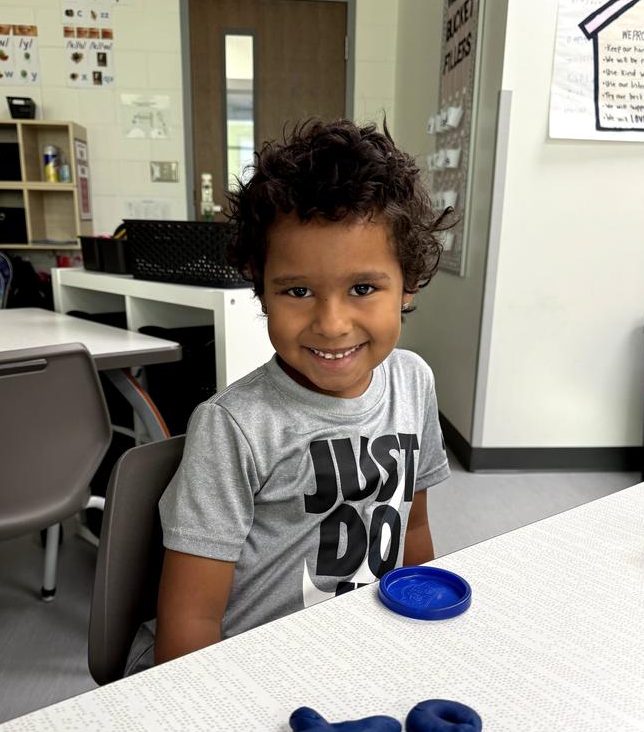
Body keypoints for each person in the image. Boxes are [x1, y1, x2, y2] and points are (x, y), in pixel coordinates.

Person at [141, 118, 453, 670]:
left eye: (362, 288)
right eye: (298, 291)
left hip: (361, 646)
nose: (331, 324)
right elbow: (190, 623)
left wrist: (421, 637)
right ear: (260, 287)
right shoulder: (234, 427)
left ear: (408, 284)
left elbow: (416, 526)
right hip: (256, 668)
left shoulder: (413, 382)